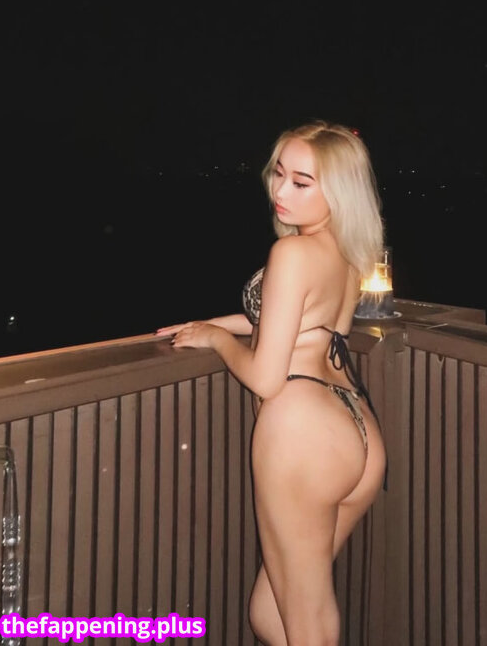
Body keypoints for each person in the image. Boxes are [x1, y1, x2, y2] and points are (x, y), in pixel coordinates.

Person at [155, 121, 387, 646]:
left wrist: (219, 340)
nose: (281, 190)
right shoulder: (348, 252)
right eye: (279, 174)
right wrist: (214, 324)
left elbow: (266, 377)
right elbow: (303, 322)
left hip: (301, 431)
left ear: (338, 191)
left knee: (306, 627)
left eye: (302, 182)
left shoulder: (292, 253)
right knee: (270, 613)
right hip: (356, 430)